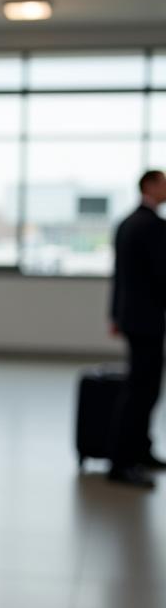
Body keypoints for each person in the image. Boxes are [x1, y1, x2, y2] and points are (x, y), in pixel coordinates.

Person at [107, 169, 166, 488]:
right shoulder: (154, 226)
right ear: (150, 186)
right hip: (148, 320)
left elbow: (120, 276)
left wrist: (114, 314)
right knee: (141, 391)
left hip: (132, 317)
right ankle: (123, 462)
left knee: (143, 388)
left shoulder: (127, 223)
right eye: (164, 183)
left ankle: (140, 450)